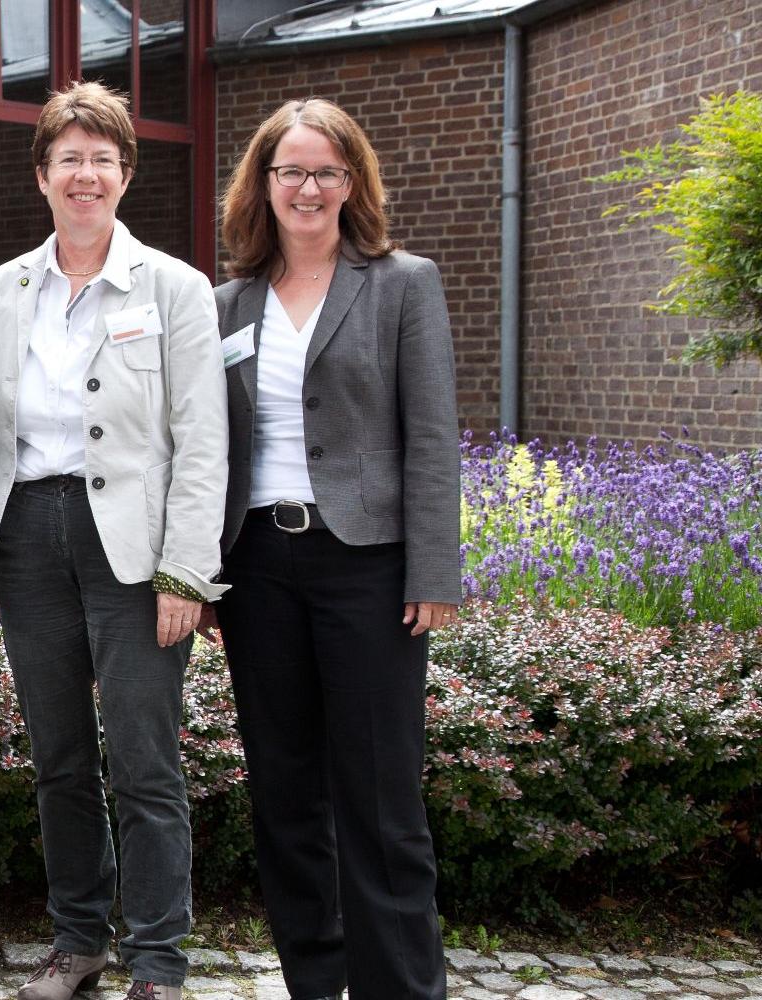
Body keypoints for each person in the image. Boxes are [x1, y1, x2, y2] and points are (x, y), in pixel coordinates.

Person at [0, 81, 227, 1000]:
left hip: (136, 548)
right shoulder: (2, 291)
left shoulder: (177, 290)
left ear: (124, 175)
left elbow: (203, 439)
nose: (85, 175)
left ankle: (158, 959)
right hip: (28, 536)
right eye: (68, 158)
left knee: (145, 758)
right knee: (60, 756)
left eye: (101, 160)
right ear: (42, 176)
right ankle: (79, 941)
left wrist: (186, 568)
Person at [206, 98, 459, 1000]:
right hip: (260, 570)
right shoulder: (227, 298)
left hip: (369, 567)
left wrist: (435, 570)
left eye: (326, 171)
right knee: (284, 794)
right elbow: (206, 448)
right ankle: (316, 980)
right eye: (291, 171)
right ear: (263, 185)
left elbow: (431, 437)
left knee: (383, 798)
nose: (308, 188)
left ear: (353, 182)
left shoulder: (402, 283)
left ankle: (400, 988)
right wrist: (199, 573)